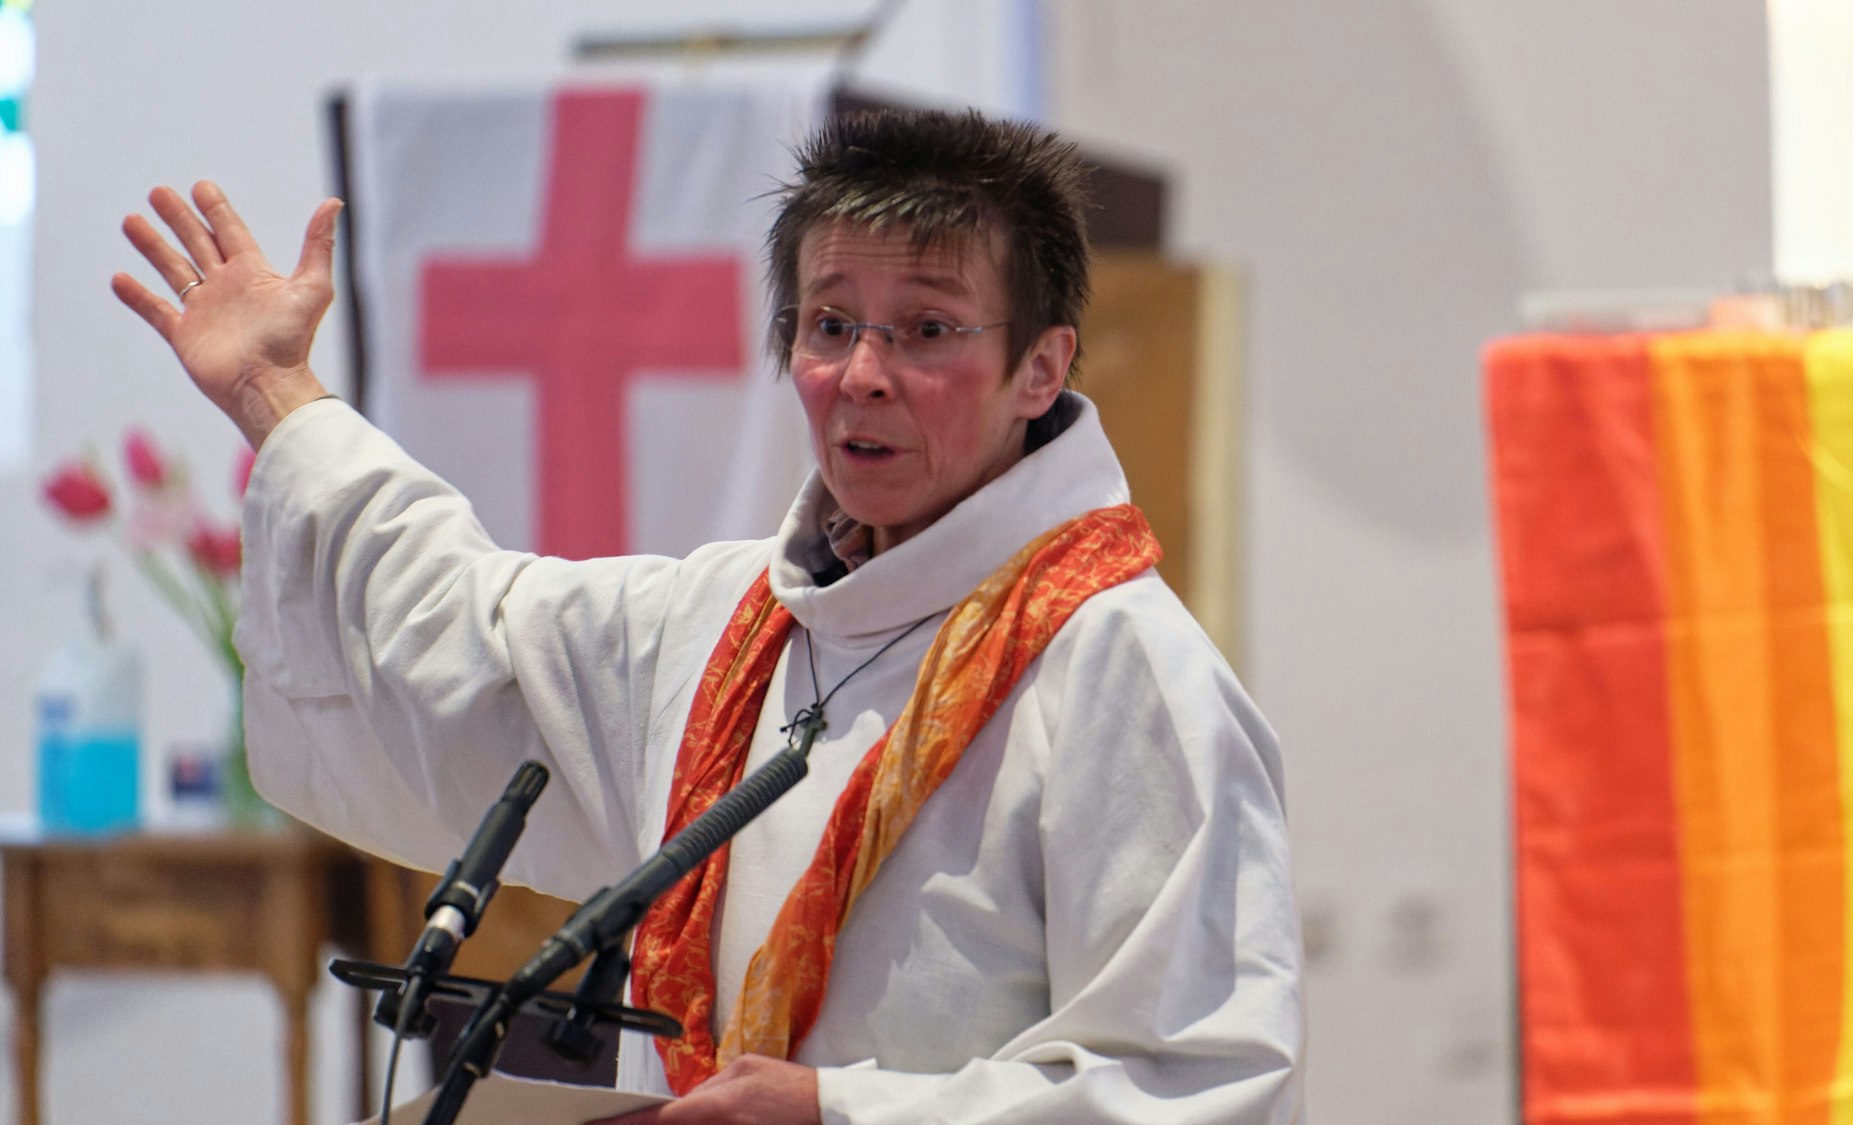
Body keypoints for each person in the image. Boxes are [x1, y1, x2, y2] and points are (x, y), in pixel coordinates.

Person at [114, 107, 1303, 1124]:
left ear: (1041, 369)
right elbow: (457, 624)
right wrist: (279, 395)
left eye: (928, 329)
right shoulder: (724, 623)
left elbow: (1198, 1082)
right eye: (829, 324)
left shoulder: (1118, 664)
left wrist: (840, 1112)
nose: (864, 374)